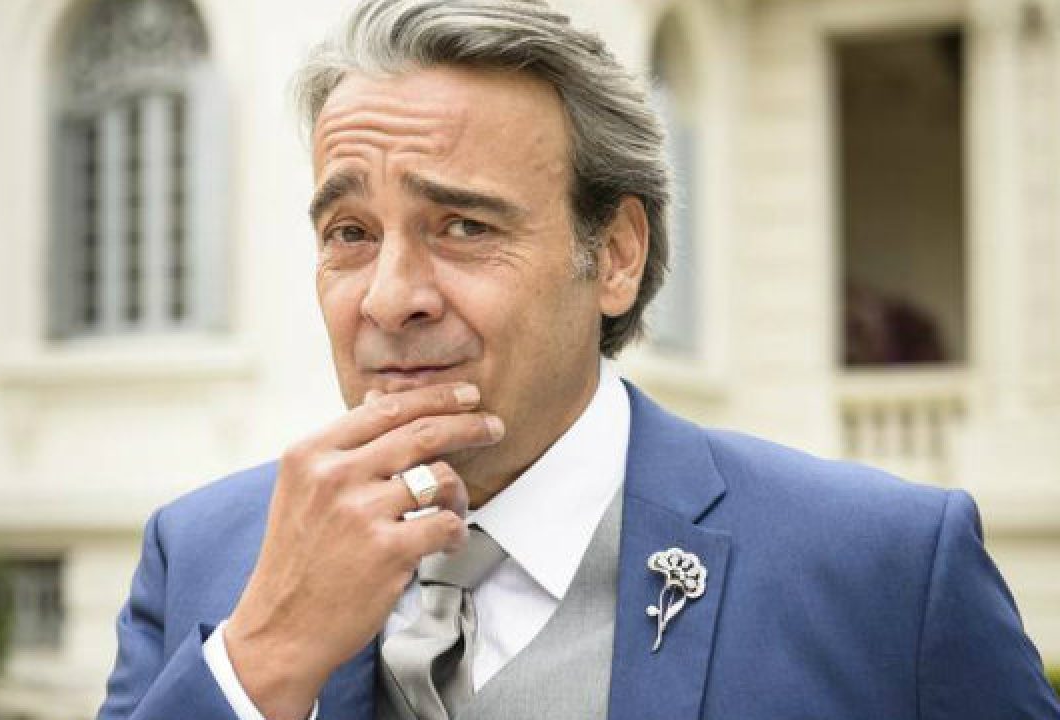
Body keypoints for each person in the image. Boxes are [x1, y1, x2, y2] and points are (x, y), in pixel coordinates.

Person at [96, 1, 1060, 718]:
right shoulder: (202, 558)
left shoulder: (886, 573)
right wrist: (263, 659)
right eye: (350, 233)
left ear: (617, 255)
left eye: (464, 226)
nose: (389, 298)